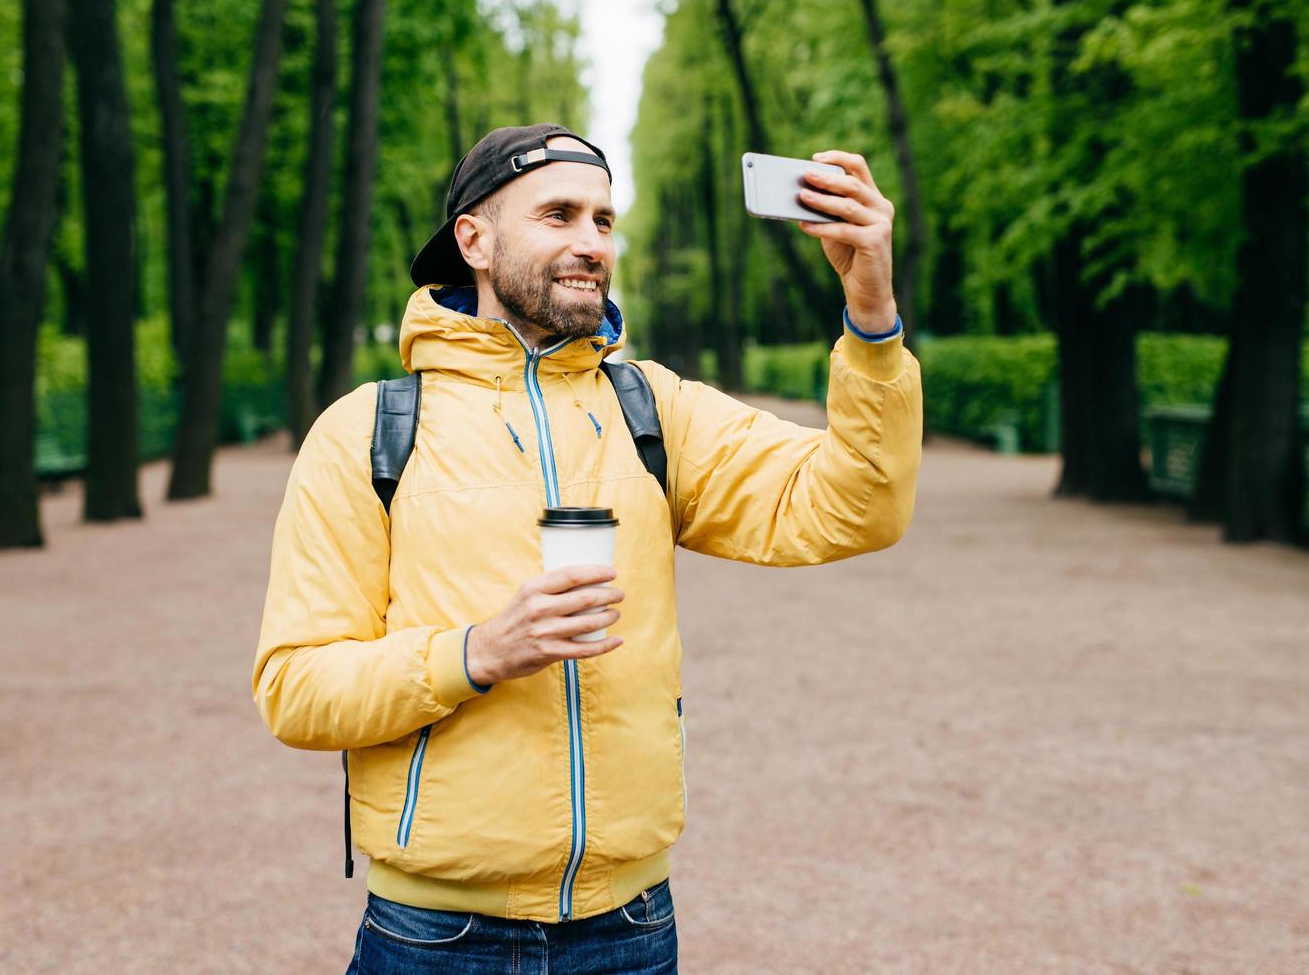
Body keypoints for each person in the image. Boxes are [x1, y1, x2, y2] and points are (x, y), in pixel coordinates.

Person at [253, 123, 923, 973]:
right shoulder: (370, 432)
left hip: (631, 929)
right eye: (560, 215)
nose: (590, 243)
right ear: (476, 240)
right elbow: (294, 687)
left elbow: (857, 506)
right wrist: (478, 653)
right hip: (435, 938)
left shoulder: (655, 410)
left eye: (604, 221)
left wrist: (870, 314)